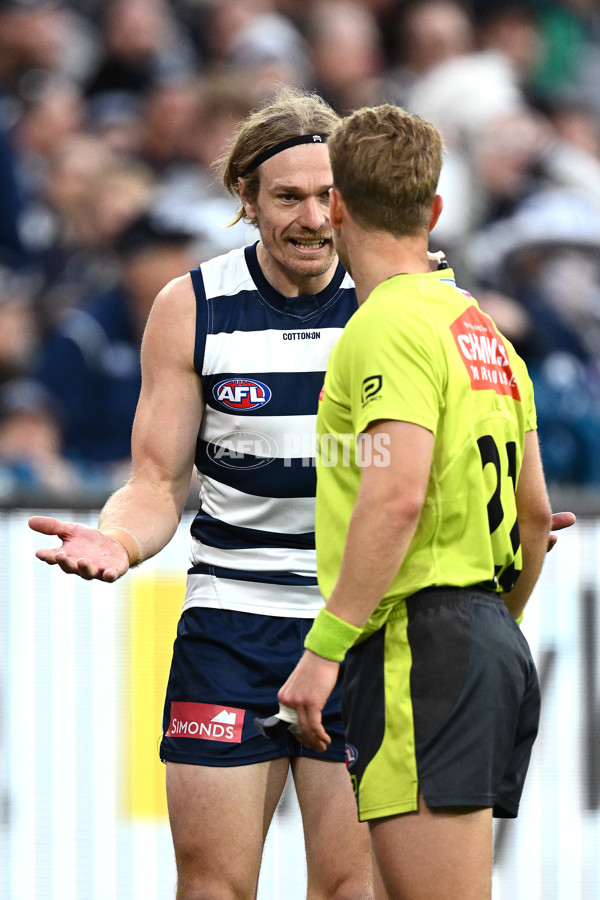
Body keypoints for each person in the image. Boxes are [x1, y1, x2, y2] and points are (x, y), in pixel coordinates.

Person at [29, 87, 373, 900]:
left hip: (358, 625)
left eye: (329, 196)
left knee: (352, 890)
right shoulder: (191, 306)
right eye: (288, 197)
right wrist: (118, 538)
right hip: (231, 627)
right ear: (245, 200)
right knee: (213, 888)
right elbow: (156, 480)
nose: (314, 218)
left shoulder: (392, 301)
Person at [277, 104, 555, 900]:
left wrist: (324, 648)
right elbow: (535, 516)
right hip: (479, 632)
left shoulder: (384, 325)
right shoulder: (483, 331)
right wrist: (496, 619)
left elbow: (394, 497)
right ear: (433, 210)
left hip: (418, 641)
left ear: (335, 207)